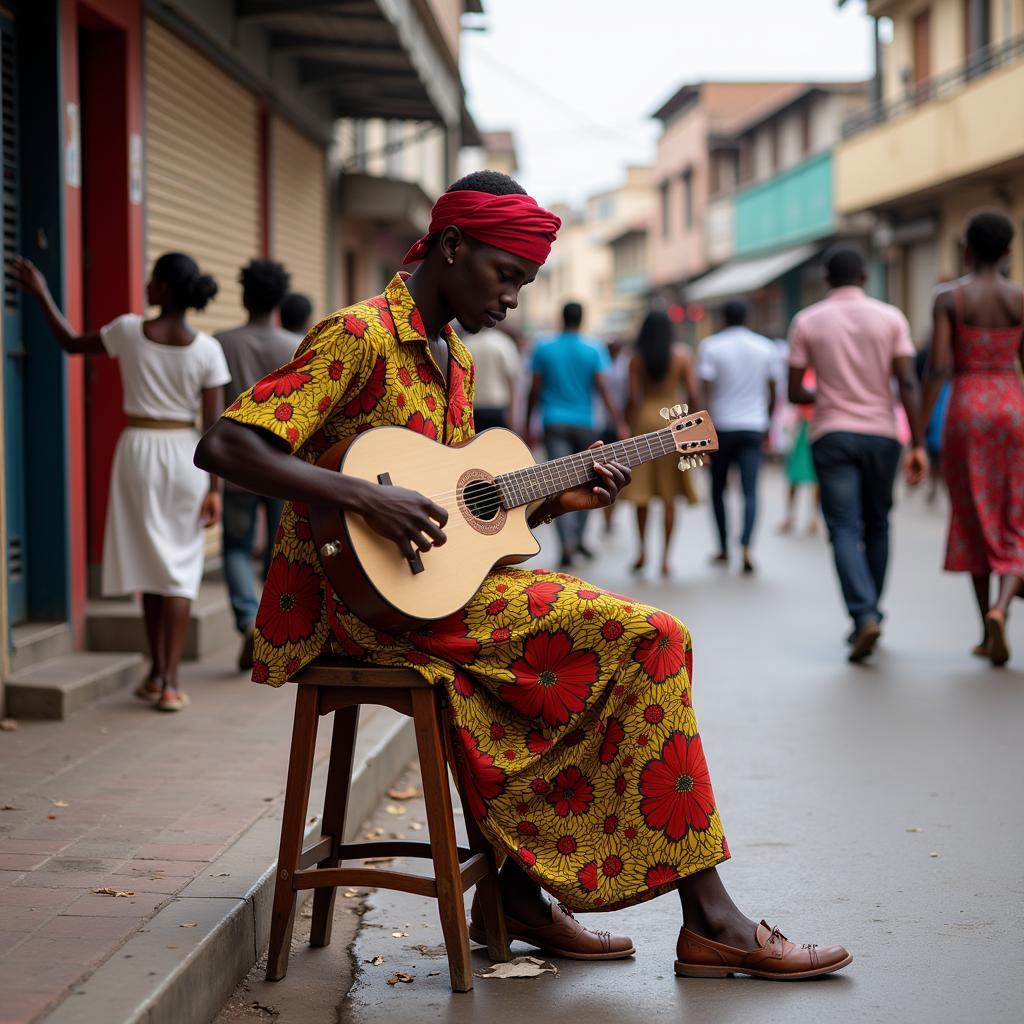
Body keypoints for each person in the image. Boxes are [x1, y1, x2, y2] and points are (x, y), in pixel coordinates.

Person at [195, 170, 851, 981]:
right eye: (506, 276)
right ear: (451, 245)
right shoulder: (357, 336)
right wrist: (364, 496)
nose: (512, 297)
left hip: (436, 594)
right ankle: (707, 917)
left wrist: (551, 504)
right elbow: (226, 445)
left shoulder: (457, 360)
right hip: (357, 606)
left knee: (605, 650)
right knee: (652, 638)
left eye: (526, 283)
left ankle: (516, 892)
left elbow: (462, 519)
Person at [13, 252, 229, 711]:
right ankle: (165, 679)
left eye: (153, 280)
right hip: (187, 457)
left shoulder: (128, 330)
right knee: (178, 572)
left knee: (153, 567)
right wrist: (215, 490)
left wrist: (41, 294)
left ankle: (162, 676)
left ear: (166, 288)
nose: (147, 286)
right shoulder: (208, 349)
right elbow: (214, 429)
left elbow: (71, 343)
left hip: (137, 452)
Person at [788, 245, 927, 663]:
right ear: (865, 277)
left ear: (827, 280)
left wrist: (828, 393)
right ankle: (871, 614)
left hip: (832, 434)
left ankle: (864, 614)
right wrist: (918, 443)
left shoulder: (807, 320)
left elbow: (795, 391)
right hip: (883, 435)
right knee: (878, 523)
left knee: (844, 528)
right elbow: (907, 382)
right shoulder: (891, 317)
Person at [922, 210, 1024, 667]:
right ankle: (1004, 608)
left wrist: (920, 434)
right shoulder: (1020, 298)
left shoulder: (949, 298)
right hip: (1011, 403)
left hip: (966, 408)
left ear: (966, 249)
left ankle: (987, 625)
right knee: (1014, 512)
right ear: (1007, 251)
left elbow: (939, 366)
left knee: (974, 514)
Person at [215, 260, 299, 670]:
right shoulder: (294, 345)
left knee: (234, 546)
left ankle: (246, 618)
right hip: (283, 465)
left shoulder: (221, 342)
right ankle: (264, 623)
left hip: (236, 463)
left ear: (245, 295)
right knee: (276, 549)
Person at [527, 302, 628, 566]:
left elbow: (534, 390)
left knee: (557, 485)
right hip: (586, 423)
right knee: (591, 483)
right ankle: (580, 539)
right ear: (582, 320)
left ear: (562, 318)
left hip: (553, 422)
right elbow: (603, 389)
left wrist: (527, 423)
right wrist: (619, 421)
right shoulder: (593, 348)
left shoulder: (544, 348)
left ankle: (567, 546)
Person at [696, 301, 778, 574]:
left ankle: (722, 547)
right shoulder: (765, 347)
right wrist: (767, 422)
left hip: (720, 428)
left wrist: (701, 432)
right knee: (750, 490)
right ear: (747, 316)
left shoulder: (711, 346)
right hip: (754, 425)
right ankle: (745, 545)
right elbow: (773, 390)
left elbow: (705, 392)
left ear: (723, 319)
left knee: (718, 489)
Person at [625, 310, 700, 576]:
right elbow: (692, 392)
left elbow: (632, 398)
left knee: (641, 495)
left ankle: (642, 552)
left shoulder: (636, 358)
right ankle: (666, 559)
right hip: (674, 423)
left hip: (644, 423)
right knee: (670, 495)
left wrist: (627, 427)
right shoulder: (682, 355)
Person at [462, 323, 521, 430]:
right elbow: (512, 380)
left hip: (472, 408)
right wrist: (512, 414)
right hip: (497, 407)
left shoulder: (465, 343)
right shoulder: (504, 343)